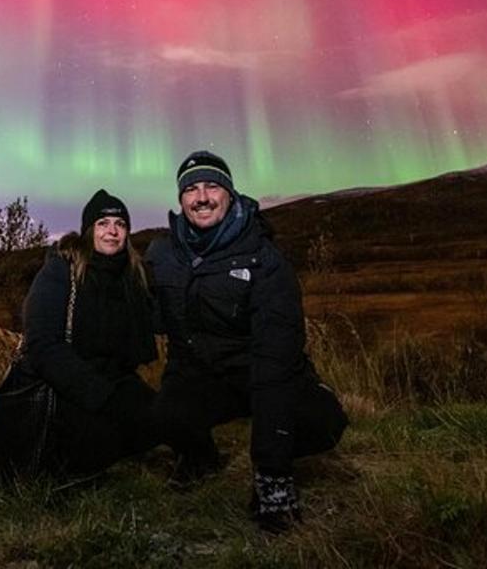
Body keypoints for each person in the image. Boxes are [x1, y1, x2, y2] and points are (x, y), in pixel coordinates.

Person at [147, 151, 347, 533]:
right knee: (162, 414)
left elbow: (275, 357)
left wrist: (272, 472)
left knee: (323, 421)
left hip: (262, 371)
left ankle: (273, 467)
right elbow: (144, 315)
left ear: (230, 193)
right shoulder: (163, 254)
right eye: (191, 189)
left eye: (211, 186)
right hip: (202, 376)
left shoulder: (263, 257)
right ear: (180, 200)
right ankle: (199, 458)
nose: (201, 197)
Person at [18, 189, 159, 479]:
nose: (112, 231)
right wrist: (100, 395)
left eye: (120, 224)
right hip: (68, 387)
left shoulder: (133, 275)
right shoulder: (61, 270)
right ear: (88, 230)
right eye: (103, 224)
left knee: (166, 420)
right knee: (85, 461)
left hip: (117, 381)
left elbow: (157, 321)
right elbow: (42, 345)